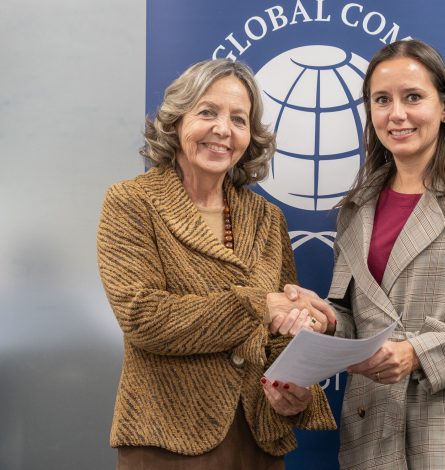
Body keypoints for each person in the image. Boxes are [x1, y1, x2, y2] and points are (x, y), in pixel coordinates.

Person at [291, 39, 445, 469]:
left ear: (444, 108)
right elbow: (352, 315)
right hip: (373, 437)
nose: (396, 114)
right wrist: (323, 320)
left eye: (413, 97)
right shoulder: (356, 208)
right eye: (382, 100)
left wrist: (417, 353)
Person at [96, 59, 336, 469]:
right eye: (207, 112)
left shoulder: (267, 218)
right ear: (175, 122)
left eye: (238, 120)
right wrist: (261, 305)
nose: (223, 129)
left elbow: (279, 334)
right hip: (167, 439)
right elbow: (143, 317)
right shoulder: (132, 202)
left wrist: (295, 388)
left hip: (258, 439)